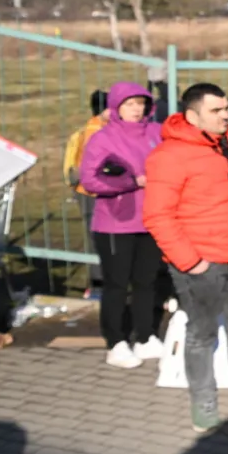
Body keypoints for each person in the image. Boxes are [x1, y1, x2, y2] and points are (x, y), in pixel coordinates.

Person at [144, 83, 228, 432]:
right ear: (192, 115)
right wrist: (191, 262)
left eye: (226, 108)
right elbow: (157, 216)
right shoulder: (170, 156)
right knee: (201, 334)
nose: (225, 116)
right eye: (215, 111)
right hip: (201, 263)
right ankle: (203, 403)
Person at [78, 82, 164, 369]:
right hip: (115, 224)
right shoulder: (103, 138)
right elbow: (89, 179)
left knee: (146, 281)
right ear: (116, 107)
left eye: (141, 103)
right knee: (116, 284)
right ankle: (115, 342)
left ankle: (145, 336)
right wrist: (131, 182)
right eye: (130, 104)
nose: (136, 109)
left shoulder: (156, 132)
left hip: (150, 218)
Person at [63, 89, 110, 290]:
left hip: (88, 189)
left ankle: (100, 280)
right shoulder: (96, 131)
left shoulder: (92, 128)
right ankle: (98, 283)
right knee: (98, 236)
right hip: (93, 191)